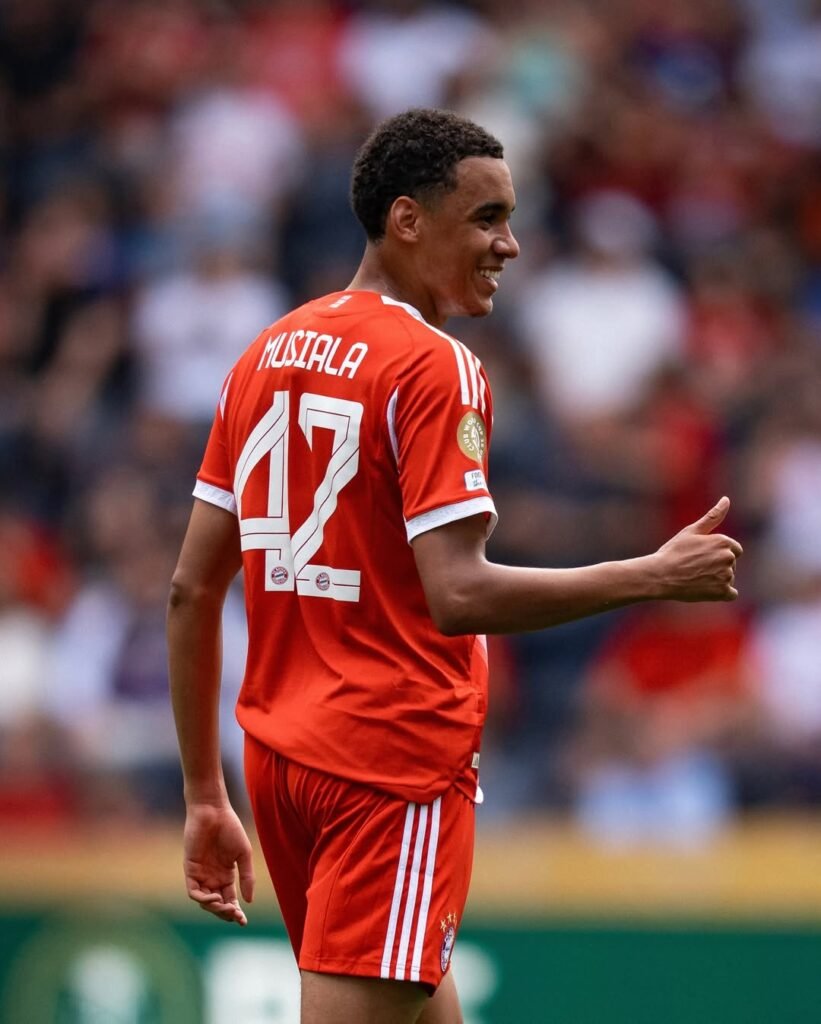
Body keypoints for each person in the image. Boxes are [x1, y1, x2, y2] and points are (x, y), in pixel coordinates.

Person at [167, 108, 742, 1024]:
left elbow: (191, 587)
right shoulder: (434, 367)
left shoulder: (264, 354)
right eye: (486, 218)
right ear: (407, 219)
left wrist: (206, 793)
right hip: (388, 766)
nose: (508, 244)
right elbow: (459, 592)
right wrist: (651, 575)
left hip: (281, 761)